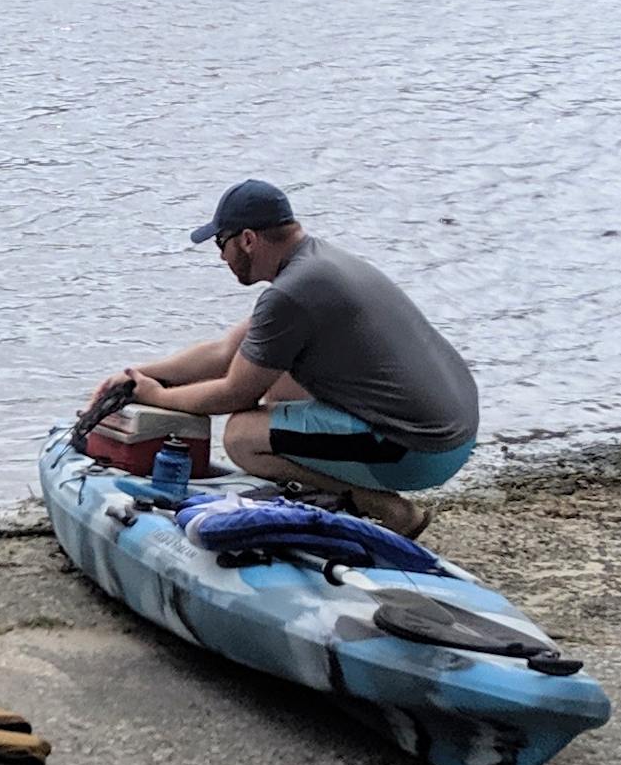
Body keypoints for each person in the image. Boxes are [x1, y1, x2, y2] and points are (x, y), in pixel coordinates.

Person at [89, 178, 479, 534]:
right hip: (453, 431)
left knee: (242, 436)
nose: (220, 257)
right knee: (275, 379)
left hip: (419, 450)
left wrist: (156, 397)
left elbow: (234, 395)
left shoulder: (290, 294)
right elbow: (226, 351)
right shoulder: (315, 264)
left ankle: (387, 509)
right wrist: (138, 374)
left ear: (246, 240)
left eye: (219, 243)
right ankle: (341, 486)